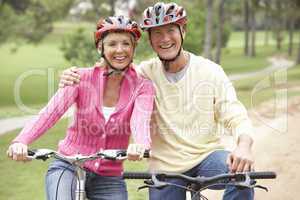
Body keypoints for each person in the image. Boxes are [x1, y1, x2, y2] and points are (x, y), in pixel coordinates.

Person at [59, 2, 255, 200]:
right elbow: (108, 68)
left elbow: (236, 115)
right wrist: (72, 76)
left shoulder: (211, 71)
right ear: (150, 40)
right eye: (157, 33)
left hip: (206, 158)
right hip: (164, 167)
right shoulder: (143, 75)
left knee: (240, 176)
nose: (165, 39)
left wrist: (243, 146)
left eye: (171, 30)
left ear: (183, 31)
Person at [7, 15, 155, 200]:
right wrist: (21, 141)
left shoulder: (142, 86)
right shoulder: (79, 78)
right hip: (68, 164)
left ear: (133, 48)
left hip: (108, 176)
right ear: (100, 47)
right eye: (112, 44)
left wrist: (141, 145)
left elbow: (140, 121)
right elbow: (49, 113)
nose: (120, 50)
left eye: (126, 43)